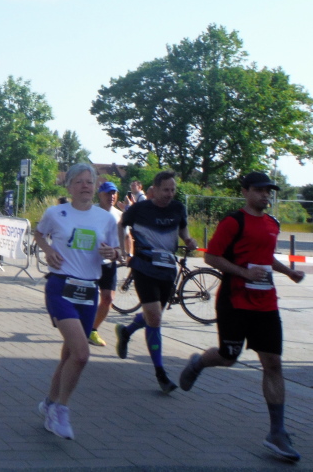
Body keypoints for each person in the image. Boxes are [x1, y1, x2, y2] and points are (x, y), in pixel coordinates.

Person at [179, 172, 304, 462]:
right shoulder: (233, 222)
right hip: (234, 302)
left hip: (266, 304)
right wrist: (244, 273)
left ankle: (277, 432)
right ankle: (199, 362)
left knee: (273, 363)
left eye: (268, 191)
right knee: (228, 357)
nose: (265, 195)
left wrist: (289, 272)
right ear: (245, 191)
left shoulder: (272, 224)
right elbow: (211, 257)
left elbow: (266, 256)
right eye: (259, 190)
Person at [34, 163, 119, 439]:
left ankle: (49, 403)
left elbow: (116, 251)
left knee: (69, 355)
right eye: (79, 182)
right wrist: (48, 250)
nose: (85, 186)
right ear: (69, 186)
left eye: (89, 182)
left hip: (89, 290)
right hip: (61, 286)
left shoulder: (106, 219)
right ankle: (60, 410)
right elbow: (38, 234)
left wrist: (112, 254)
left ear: (95, 187)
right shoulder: (56, 213)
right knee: (81, 354)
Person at [115, 170, 198, 393]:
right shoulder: (140, 209)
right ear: (155, 189)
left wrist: (188, 239)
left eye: (173, 190)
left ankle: (126, 332)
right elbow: (121, 225)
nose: (170, 194)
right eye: (166, 190)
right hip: (144, 267)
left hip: (167, 270)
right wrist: (123, 251)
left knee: (154, 316)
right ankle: (160, 373)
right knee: (155, 319)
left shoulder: (178, 208)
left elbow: (183, 228)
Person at [88, 181, 123, 347]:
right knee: (87, 297)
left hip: (109, 261)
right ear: (100, 195)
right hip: (89, 261)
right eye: (108, 193)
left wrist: (123, 254)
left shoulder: (119, 215)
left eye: (114, 193)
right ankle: (79, 326)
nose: (112, 196)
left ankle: (92, 330)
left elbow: (126, 237)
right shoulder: (90, 212)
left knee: (108, 298)